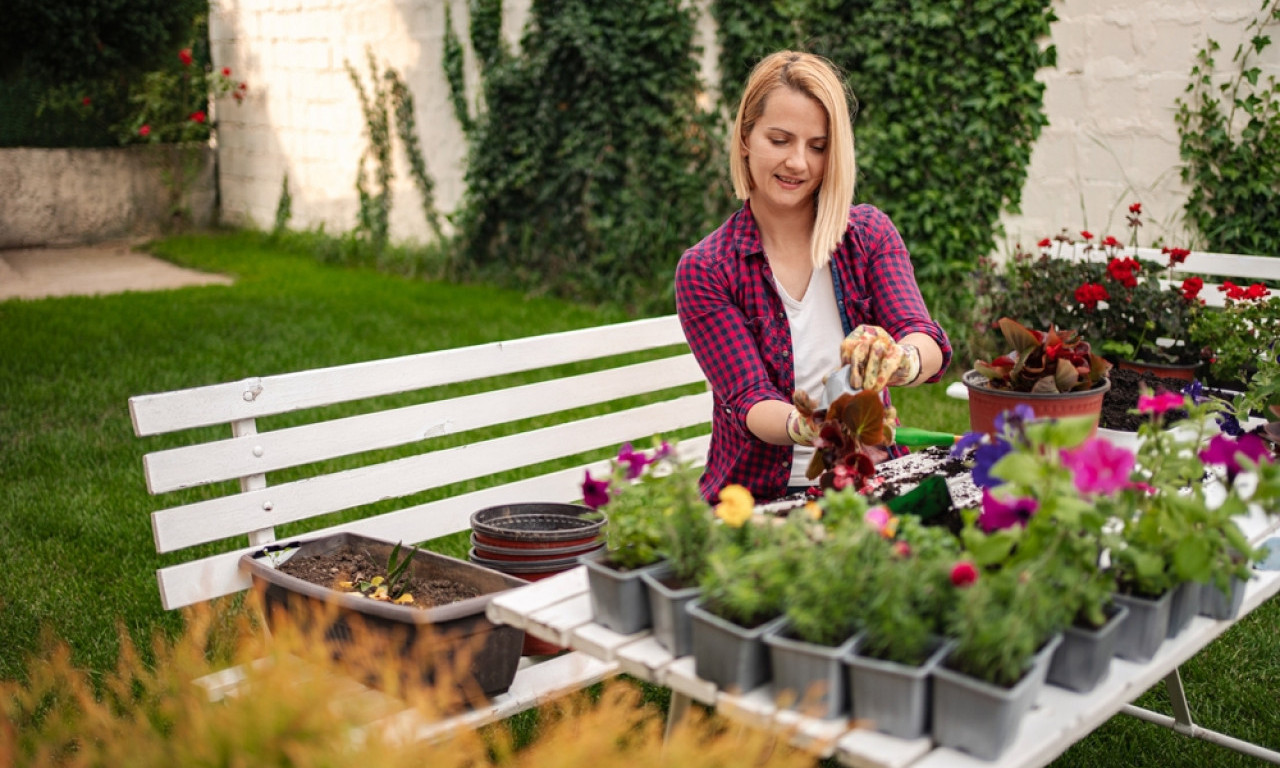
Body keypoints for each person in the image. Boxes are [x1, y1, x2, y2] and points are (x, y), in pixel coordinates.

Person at [675, 50, 951, 503]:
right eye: (780, 140)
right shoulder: (707, 269)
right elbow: (749, 399)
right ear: (746, 137)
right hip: (758, 498)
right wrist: (808, 426)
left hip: (872, 485)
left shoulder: (867, 235)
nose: (798, 163)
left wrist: (900, 360)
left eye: (817, 146)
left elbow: (925, 339)